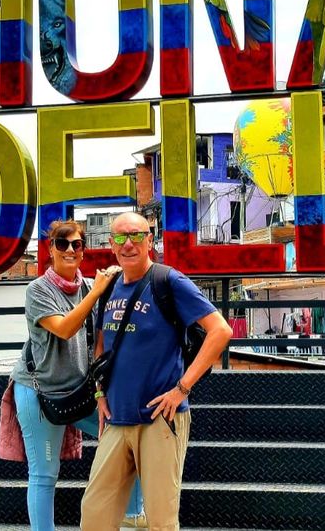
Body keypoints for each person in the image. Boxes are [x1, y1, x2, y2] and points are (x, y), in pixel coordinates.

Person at [80, 212, 233, 531]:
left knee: (161, 521)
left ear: (150, 239)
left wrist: (183, 388)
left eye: (137, 235)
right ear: (111, 245)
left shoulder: (169, 281)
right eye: (120, 238)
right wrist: (98, 393)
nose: (129, 244)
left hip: (160, 418)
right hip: (117, 419)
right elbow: (101, 345)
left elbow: (220, 330)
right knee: (95, 514)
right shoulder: (109, 289)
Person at [6, 220, 144, 531]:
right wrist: (96, 291)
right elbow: (66, 329)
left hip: (80, 390)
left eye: (77, 244)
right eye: (62, 244)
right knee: (44, 474)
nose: (70, 250)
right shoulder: (38, 290)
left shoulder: (86, 287)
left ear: (83, 252)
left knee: (130, 442)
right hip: (39, 393)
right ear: (50, 250)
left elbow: (99, 337)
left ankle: (134, 517)